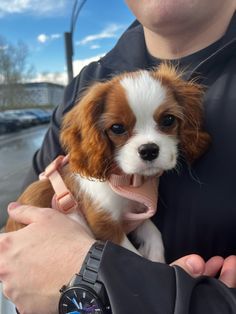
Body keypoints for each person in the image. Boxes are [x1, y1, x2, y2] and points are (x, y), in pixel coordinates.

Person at [0, 0, 236, 313]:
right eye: (118, 129)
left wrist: (132, 287)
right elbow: (19, 272)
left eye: (167, 122)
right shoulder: (85, 85)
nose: (148, 144)